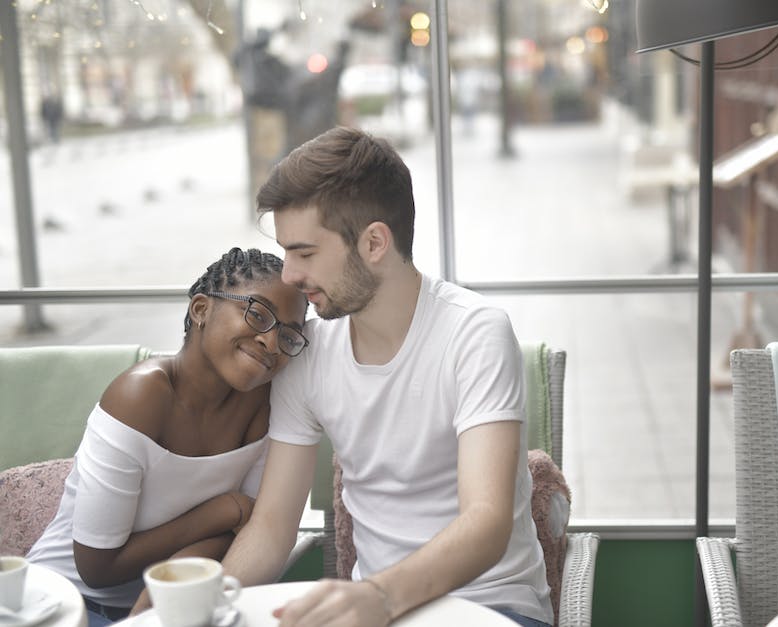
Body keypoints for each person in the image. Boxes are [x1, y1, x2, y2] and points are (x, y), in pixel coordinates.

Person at [221, 127, 553, 627]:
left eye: (305, 253)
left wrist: (376, 597)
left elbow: (485, 523)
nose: (288, 274)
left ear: (375, 241)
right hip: (376, 611)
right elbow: (270, 528)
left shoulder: (474, 333)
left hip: (491, 606)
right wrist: (205, 602)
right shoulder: (307, 352)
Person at [26, 247, 309, 627]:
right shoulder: (139, 397)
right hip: (65, 604)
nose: (271, 343)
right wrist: (224, 509)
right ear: (201, 309)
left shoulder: (266, 404)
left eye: (289, 335)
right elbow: (97, 566)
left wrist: (177, 573)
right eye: (258, 315)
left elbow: (243, 531)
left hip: (171, 606)